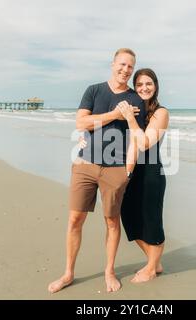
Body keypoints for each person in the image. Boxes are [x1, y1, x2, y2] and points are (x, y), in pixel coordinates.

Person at [48, 48, 146, 293]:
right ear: (113, 64)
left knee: (112, 221)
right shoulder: (94, 90)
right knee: (74, 219)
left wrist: (128, 170)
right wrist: (115, 114)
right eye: (122, 64)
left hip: (116, 168)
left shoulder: (136, 100)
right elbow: (81, 122)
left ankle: (109, 271)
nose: (125, 70)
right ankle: (68, 273)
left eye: (130, 67)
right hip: (85, 165)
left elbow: (137, 138)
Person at [116, 68, 169, 283]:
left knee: (152, 222)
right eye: (139, 84)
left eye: (148, 83)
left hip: (151, 173)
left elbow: (145, 143)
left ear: (155, 86)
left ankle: (150, 269)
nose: (144, 88)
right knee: (129, 218)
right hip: (131, 172)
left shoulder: (161, 113)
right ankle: (154, 261)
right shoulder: (135, 110)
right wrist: (84, 138)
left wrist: (129, 118)